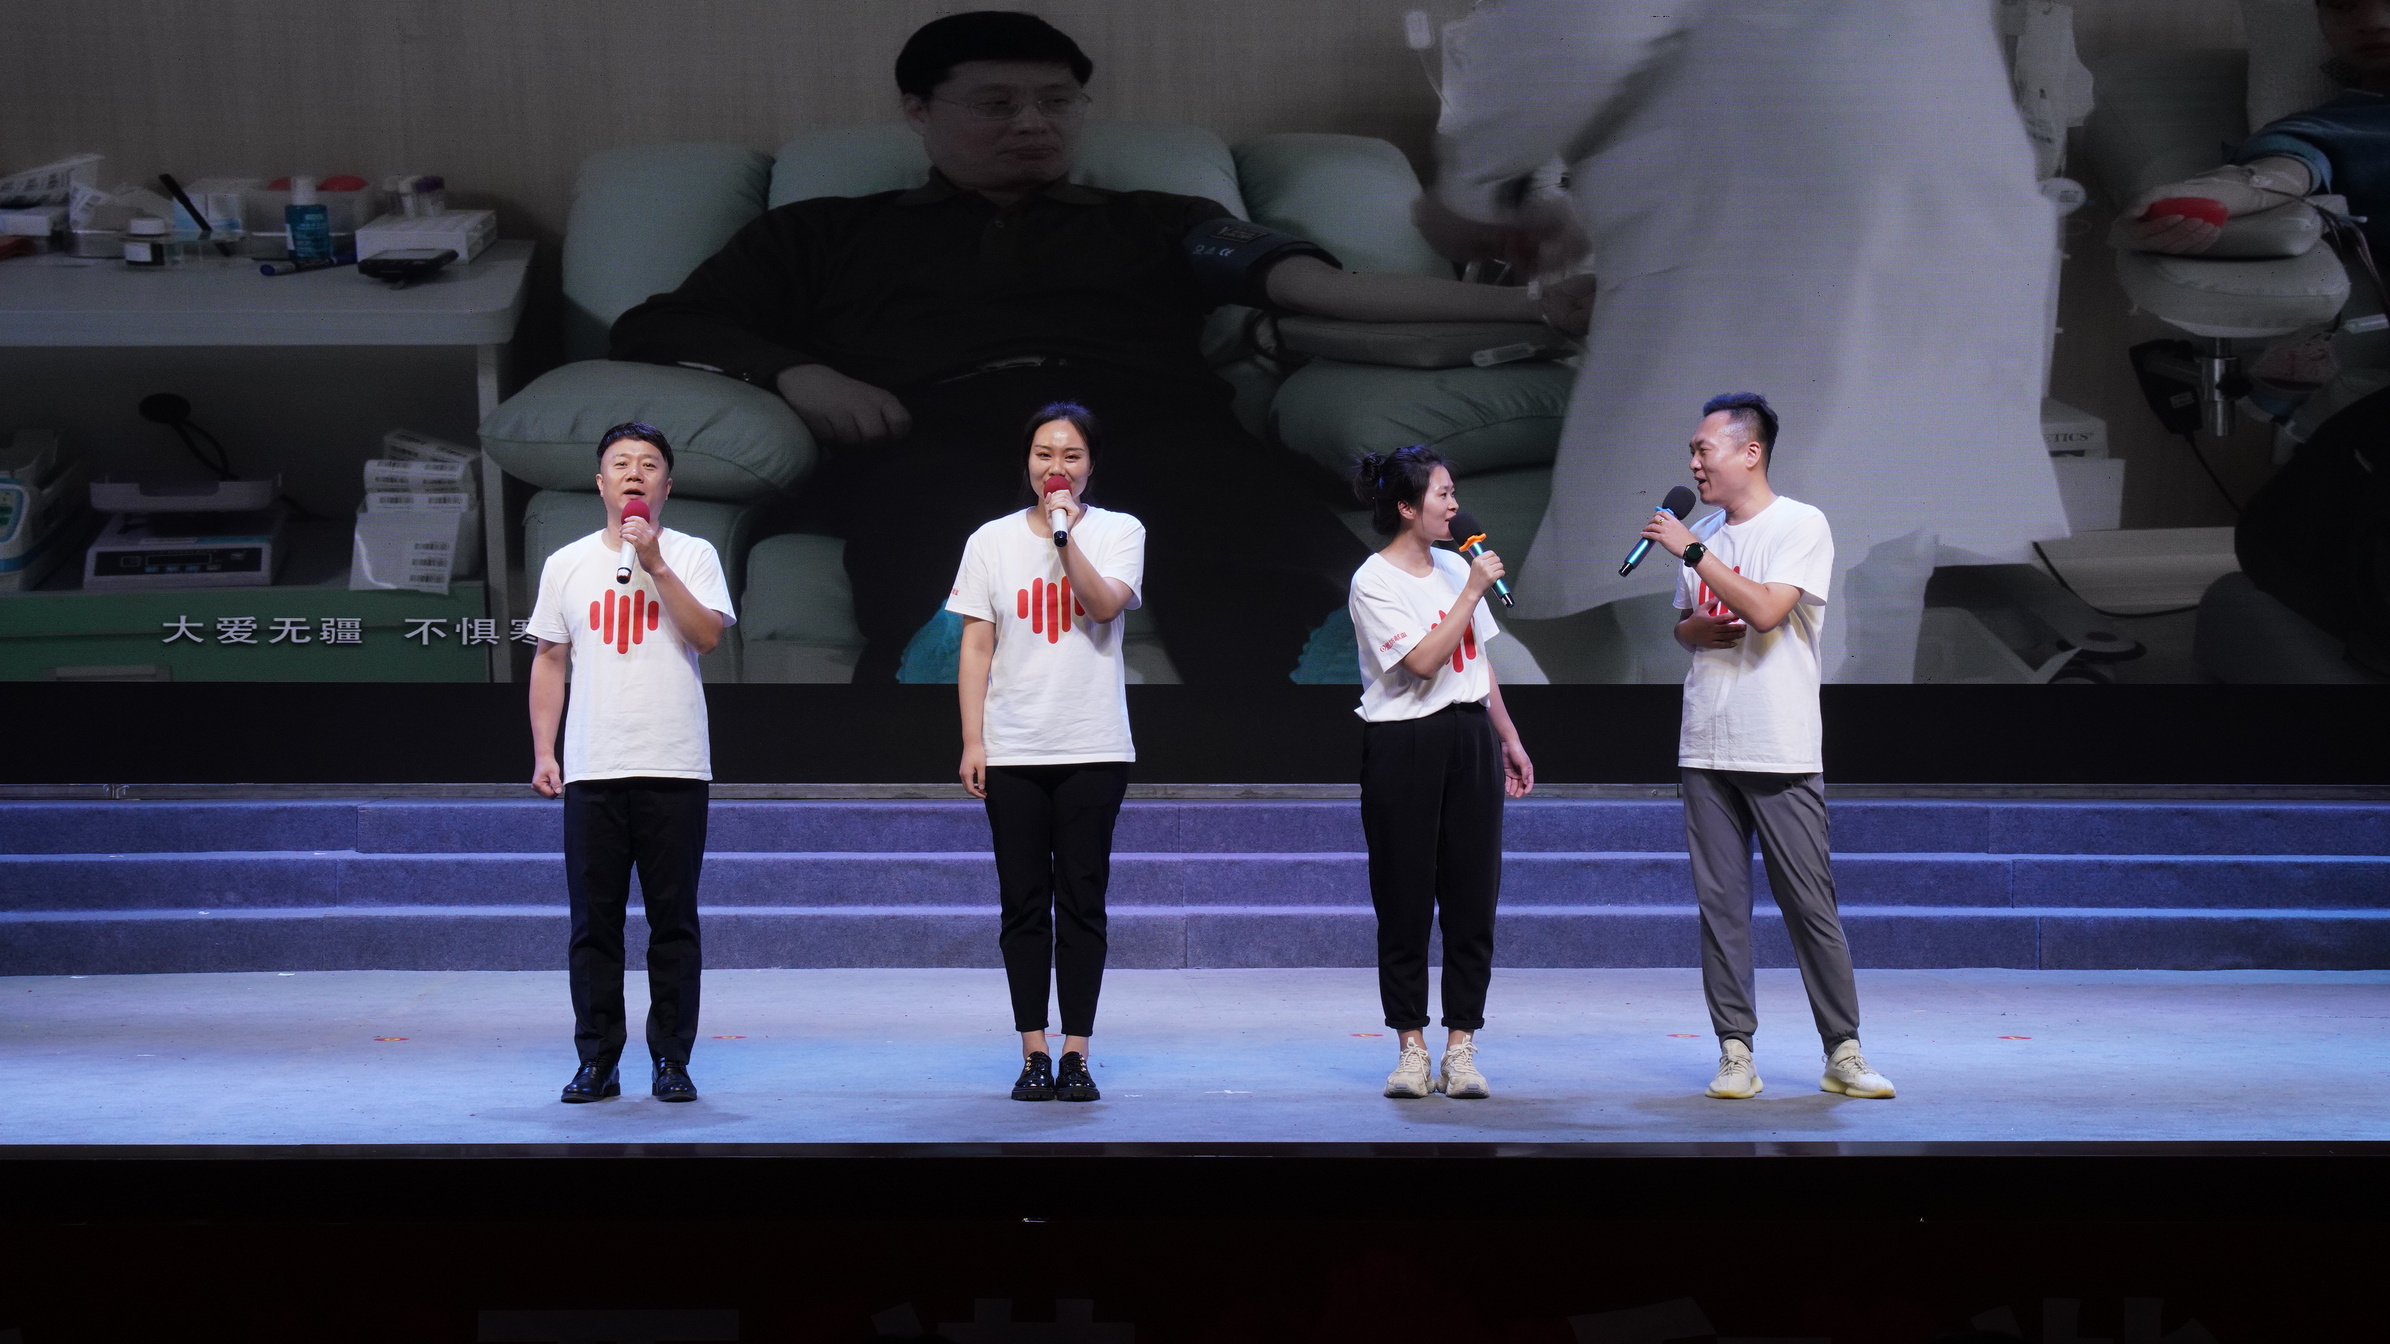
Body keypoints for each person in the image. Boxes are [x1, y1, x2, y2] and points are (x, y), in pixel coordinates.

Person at [610, 10, 1590, 685]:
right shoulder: (824, 232)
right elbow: (659, 324)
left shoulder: (1159, 219)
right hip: (934, 428)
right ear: (918, 109)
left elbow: (1316, 289)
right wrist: (799, 373)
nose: (1032, 124)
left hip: (1150, 421)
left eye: (1057, 101)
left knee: (1255, 545)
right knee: (937, 550)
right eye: (995, 104)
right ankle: (941, 735)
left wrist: (1537, 308)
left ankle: (1321, 732)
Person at [1413, 0, 2069, 682]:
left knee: (1727, 580)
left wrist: (1474, 189)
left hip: (1796, 203)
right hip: (1941, 177)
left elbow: (1583, 27)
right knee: (1880, 526)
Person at [1635, 394, 1894, 1101]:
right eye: (1692, 452)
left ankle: (1843, 1050)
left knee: (1810, 906)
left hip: (1778, 744)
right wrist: (1691, 628)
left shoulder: (1799, 524)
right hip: (1705, 744)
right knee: (1721, 909)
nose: (1694, 464)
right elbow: (1688, 623)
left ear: (1750, 452)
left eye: (1704, 450)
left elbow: (1768, 610)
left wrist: (1693, 552)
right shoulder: (1701, 532)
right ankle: (1734, 1051)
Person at [2121, 0, 2390, 674]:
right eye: (2344, 2)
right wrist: (2203, 201)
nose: (2369, 17)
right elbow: (2277, 174)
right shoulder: (2347, 124)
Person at [527, 422, 737, 1104]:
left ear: (666, 486)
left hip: (673, 765)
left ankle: (671, 1059)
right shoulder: (566, 563)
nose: (634, 474)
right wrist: (544, 750)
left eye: (649, 465)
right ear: (601, 484)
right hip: (594, 765)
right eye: (620, 464)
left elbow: (706, 636)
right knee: (594, 926)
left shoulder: (694, 554)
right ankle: (597, 1061)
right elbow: (550, 658)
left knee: (673, 923)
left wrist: (656, 563)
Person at [950, 403, 1144, 1103]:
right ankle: (1033, 1050)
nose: (1055, 468)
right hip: (1013, 747)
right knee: (1023, 904)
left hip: (1093, 745)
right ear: (1027, 461)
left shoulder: (1119, 531)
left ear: (1091, 465)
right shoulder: (990, 540)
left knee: (1083, 901)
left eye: (1070, 455)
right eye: (1043, 454)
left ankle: (1076, 1051)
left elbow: (1103, 605)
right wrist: (974, 740)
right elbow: (977, 645)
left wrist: (1064, 538)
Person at [1346, 445, 1535, 1100]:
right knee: (1403, 896)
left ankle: (1461, 1046)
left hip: (1469, 736)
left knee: (1472, 895)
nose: (1455, 506)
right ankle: (1411, 1047)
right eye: (1443, 494)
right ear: (1407, 506)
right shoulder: (1373, 580)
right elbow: (1423, 662)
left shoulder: (1457, 565)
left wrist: (1507, 737)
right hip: (1404, 741)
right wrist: (1474, 589)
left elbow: (1477, 661)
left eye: (1454, 493)